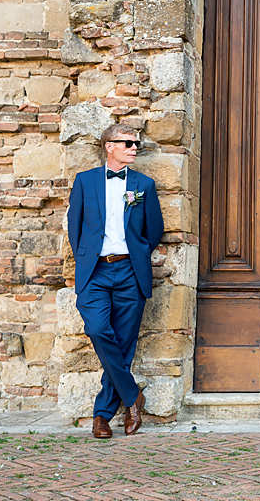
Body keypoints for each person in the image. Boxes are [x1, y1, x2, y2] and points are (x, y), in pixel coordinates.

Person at [67, 123, 164, 439]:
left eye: (137, 144)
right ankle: (132, 394)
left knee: (123, 345)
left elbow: (154, 230)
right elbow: (75, 228)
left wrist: (133, 253)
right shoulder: (85, 182)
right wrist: (87, 258)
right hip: (94, 271)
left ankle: (102, 415)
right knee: (96, 328)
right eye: (128, 143)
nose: (135, 148)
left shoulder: (144, 185)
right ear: (109, 146)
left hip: (129, 273)